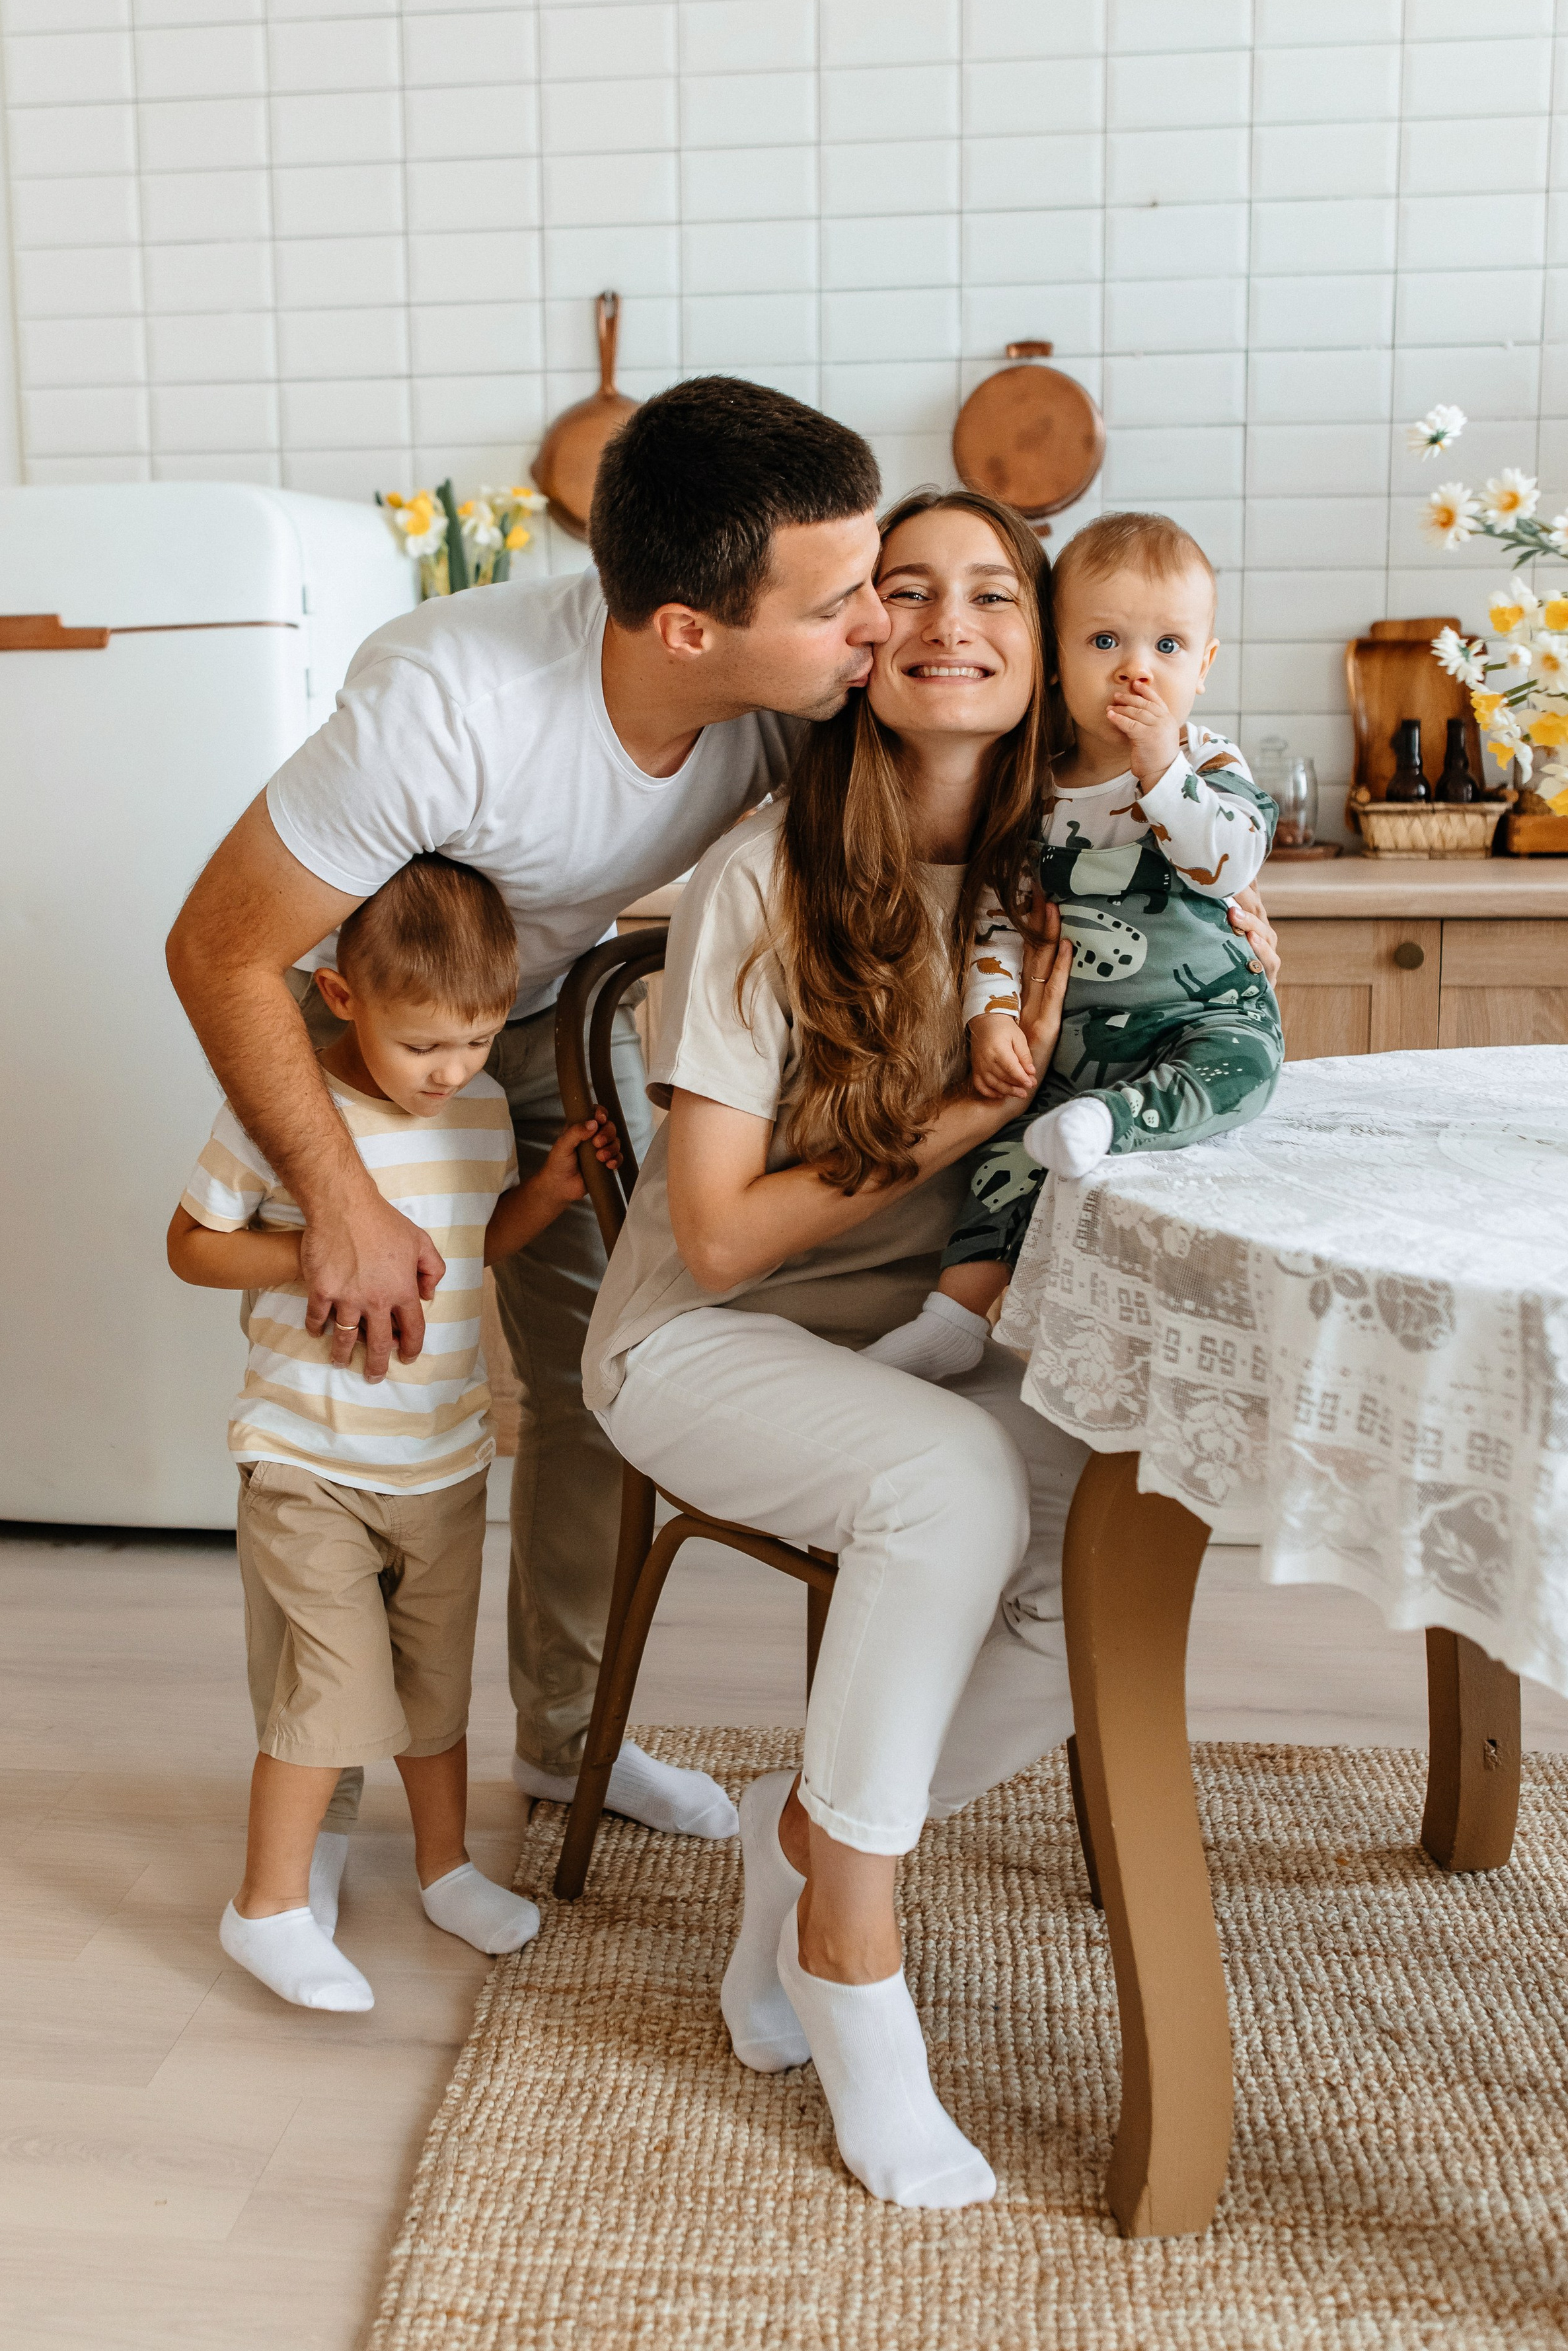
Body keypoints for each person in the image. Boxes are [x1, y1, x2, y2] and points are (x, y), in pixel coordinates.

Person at [166, 374, 1283, 1880]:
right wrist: (344, 1197)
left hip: (556, 1022)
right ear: (700, 631)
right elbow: (223, 950)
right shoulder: (450, 708)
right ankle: (329, 1784)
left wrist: (1203, 900)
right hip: (399, 1030)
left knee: (568, 1390)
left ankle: (567, 1740)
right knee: (365, 1392)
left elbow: (984, 783)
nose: (887, 629)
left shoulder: (801, 705)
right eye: (854, 601)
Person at [583, 490, 1092, 2209]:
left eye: (995, 594)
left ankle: (797, 1850)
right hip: (707, 1337)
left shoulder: (1071, 883)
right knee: (948, 1482)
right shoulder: (762, 878)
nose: (952, 622)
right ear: (860, 642)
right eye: (907, 591)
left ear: (1038, 643)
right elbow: (717, 1233)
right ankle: (855, 1967)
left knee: (1123, 1510)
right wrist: (963, 1105)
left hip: (921, 1335)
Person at [167, 855, 620, 2011]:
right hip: (308, 1455)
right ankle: (264, 1906)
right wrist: (312, 1253)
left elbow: (473, 1244)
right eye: (425, 1045)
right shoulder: (280, 1118)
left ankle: (444, 1867)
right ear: (341, 996)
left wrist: (549, 1195)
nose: (451, 1070)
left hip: (444, 1459)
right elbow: (192, 1247)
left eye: (474, 1041)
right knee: (330, 1682)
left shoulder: (473, 1109)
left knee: (431, 1692)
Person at [868, 509, 1284, 1383]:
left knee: (1243, 1070)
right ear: (1058, 663)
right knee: (1005, 1156)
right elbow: (995, 915)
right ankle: (953, 1316)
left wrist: (1160, 766)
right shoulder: (1032, 790)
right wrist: (992, 1017)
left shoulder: (1209, 765)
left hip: (1202, 1021)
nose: (1139, 668)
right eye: (1106, 640)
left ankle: (1119, 1123)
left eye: (1170, 647)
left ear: (1204, 668)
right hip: (1076, 1047)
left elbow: (1226, 861)